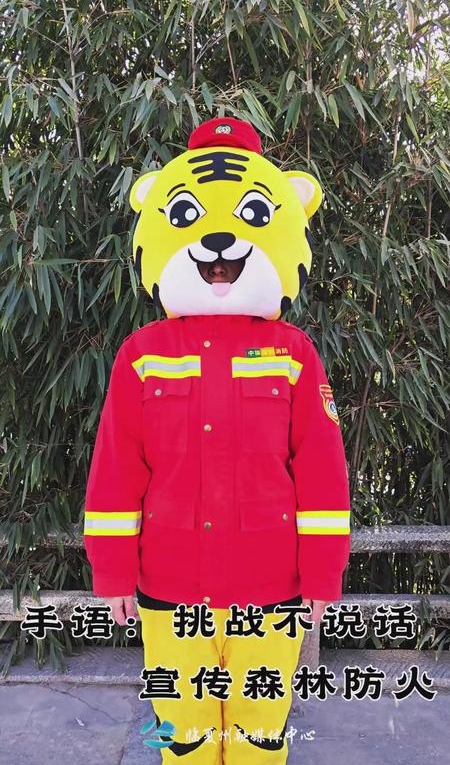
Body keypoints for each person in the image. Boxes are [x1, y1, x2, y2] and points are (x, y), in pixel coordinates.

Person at [83, 117, 351, 763]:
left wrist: (323, 573)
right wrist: (112, 569)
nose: (220, 247)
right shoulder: (142, 354)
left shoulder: (293, 354)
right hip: (171, 586)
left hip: (272, 588)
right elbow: (117, 470)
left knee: (260, 732)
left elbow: (323, 471)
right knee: (185, 732)